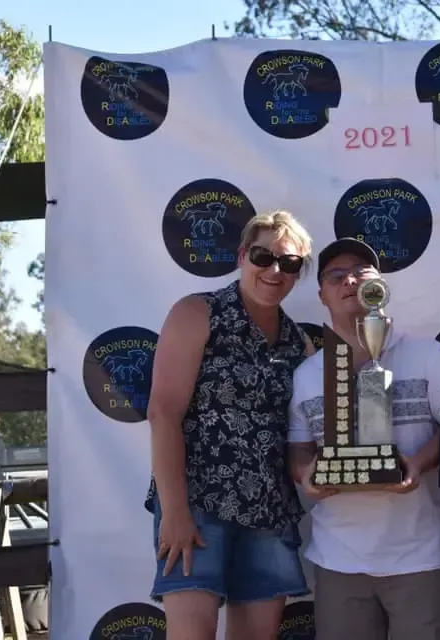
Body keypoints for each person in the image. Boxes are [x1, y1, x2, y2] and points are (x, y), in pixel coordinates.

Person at [288, 237, 440, 640]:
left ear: (381, 286)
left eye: (361, 271)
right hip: (338, 559)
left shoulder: (429, 356)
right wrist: (308, 475)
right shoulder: (308, 374)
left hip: (419, 558)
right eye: (336, 275)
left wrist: (417, 463)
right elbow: (299, 449)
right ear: (322, 295)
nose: (349, 280)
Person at [145, 210, 317, 640]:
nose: (275, 270)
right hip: (198, 503)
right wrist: (175, 511)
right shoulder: (197, 313)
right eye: (264, 256)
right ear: (242, 255)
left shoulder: (302, 343)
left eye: (290, 263)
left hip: (270, 511)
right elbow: (163, 412)